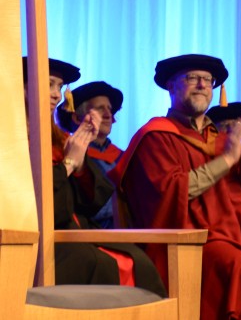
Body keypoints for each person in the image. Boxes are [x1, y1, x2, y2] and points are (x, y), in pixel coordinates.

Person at [110, 54, 241, 320]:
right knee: (238, 266)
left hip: (238, 237)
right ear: (171, 86)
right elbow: (173, 191)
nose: (202, 85)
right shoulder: (156, 137)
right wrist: (228, 159)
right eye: (192, 78)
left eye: (208, 80)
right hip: (185, 243)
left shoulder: (220, 141)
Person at [23, 58, 165, 296]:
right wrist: (69, 163)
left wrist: (79, 164)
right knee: (100, 264)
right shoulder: (9, 137)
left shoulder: (58, 139)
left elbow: (92, 202)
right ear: (23, 86)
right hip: (36, 242)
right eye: (49, 84)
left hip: (73, 233)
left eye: (59, 87)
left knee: (139, 261)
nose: (56, 95)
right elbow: (37, 208)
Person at [56, 80, 125, 228]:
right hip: (86, 232)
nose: (108, 114)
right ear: (76, 117)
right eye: (100, 109)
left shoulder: (123, 157)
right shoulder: (66, 153)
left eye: (110, 109)